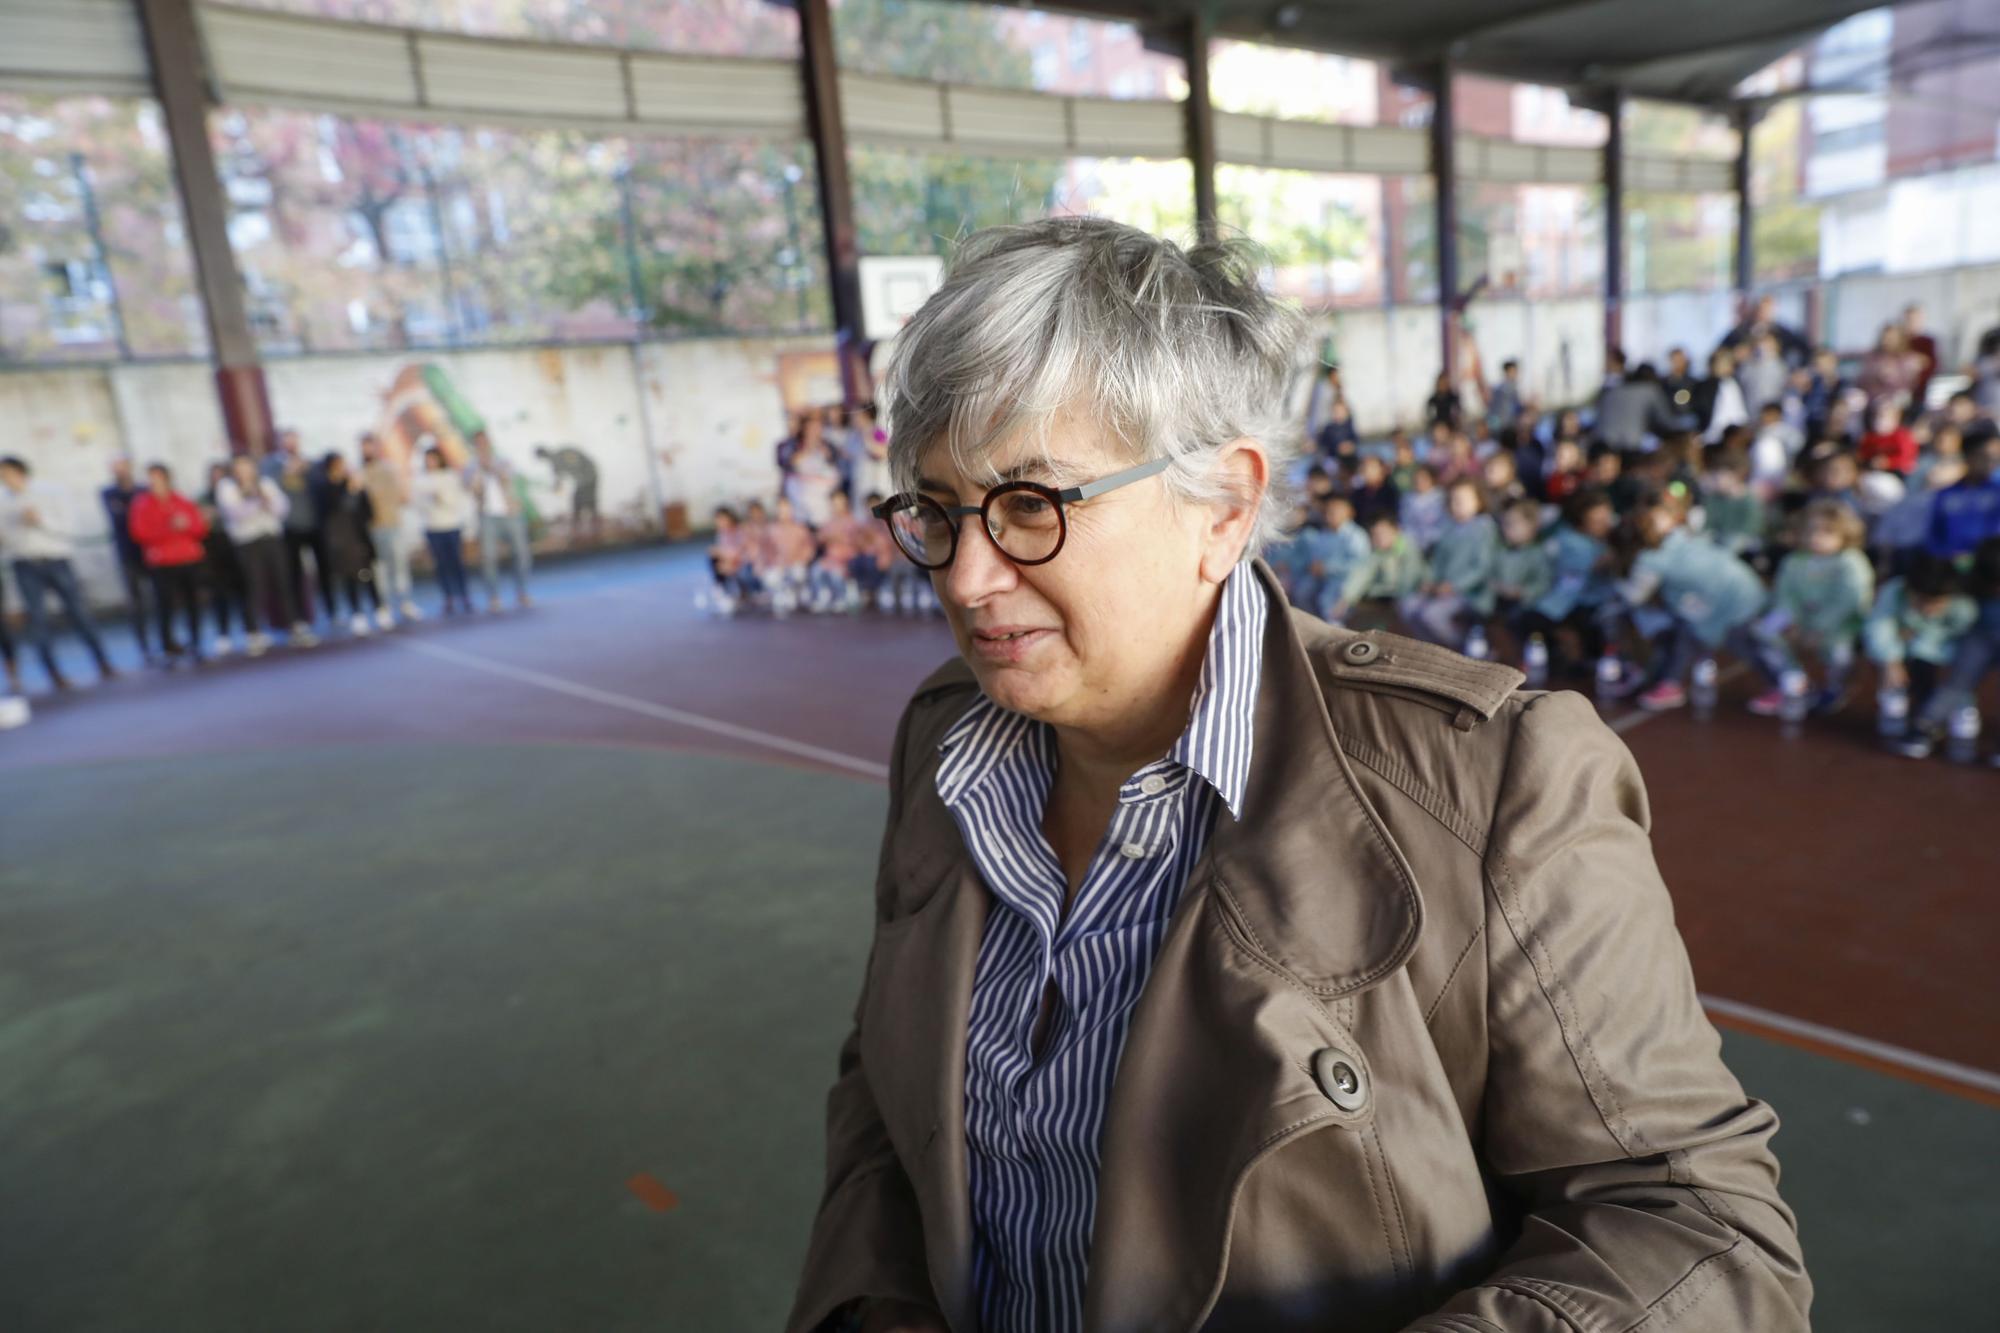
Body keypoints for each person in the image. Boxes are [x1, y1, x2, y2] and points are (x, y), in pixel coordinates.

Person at [789, 217, 1810, 1333]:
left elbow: (1697, 1225)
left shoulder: (1488, 784)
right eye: (933, 511)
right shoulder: (945, 740)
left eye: (1030, 505)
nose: (969, 576)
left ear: (1222, 507)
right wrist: (868, 1304)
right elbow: (883, 1097)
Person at [1614, 488, 1778, 711]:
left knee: (1747, 645)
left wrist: (1614, 581)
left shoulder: (1652, 558)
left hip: (1725, 602)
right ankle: (1670, 682)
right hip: (1745, 588)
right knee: (1704, 638)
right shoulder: (1687, 535)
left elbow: (1634, 596)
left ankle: (1783, 686)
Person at [0, 455, 118, 689]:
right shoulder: (3, 502)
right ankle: (53, 673)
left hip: (56, 559)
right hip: (24, 563)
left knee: (79, 612)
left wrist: (39, 520)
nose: (4, 480)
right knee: (38, 621)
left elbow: (67, 527)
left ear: (20, 473)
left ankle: (103, 662)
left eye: (7, 474)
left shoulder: (49, 493)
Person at [1751, 500, 1874, 716]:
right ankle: (1793, 679)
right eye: (1811, 531)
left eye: (1827, 532)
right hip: (1801, 621)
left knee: (1839, 654)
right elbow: (1785, 595)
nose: (1817, 538)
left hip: (1838, 625)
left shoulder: (1851, 563)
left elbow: (1849, 601)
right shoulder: (1794, 561)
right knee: (1763, 631)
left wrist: (1818, 629)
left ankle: (1836, 687)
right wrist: (1792, 622)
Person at [1896, 536, 2000, 761]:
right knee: (1958, 681)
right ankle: (1925, 726)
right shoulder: (1976, 574)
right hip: (1980, 638)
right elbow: (1954, 565)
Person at [1514, 485, 1616, 679]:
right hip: (1570, 600)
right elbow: (1586, 569)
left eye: (1606, 519)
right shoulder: (1568, 540)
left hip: (1597, 600)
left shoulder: (1609, 534)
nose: (1605, 525)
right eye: (1596, 522)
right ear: (1581, 522)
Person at [216, 452, 315, 651]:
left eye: (247, 466)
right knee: (254, 586)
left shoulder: (266, 483)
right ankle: (254, 633)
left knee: (283, 581)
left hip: (271, 538)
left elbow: (281, 508)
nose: (244, 471)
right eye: (239, 467)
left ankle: (294, 625)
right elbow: (236, 513)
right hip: (247, 542)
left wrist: (262, 500)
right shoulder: (227, 487)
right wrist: (255, 502)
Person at [1865, 553, 1976, 727]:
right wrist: (1891, 661)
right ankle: (1895, 704)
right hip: (1906, 653)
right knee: (1889, 666)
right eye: (1921, 601)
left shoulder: (1964, 605)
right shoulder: (1894, 591)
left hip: (1943, 659)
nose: (1928, 609)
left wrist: (1918, 635)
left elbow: (1966, 641)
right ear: (1908, 589)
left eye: (1937, 604)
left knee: (1955, 680)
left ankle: (1958, 710)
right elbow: (1878, 629)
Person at [125, 462, 209, 664]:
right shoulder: (142, 504)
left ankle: (196, 642)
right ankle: (168, 645)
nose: (154, 482)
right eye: (151, 478)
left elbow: (200, 528)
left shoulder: (182, 501)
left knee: (193, 602)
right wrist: (168, 528)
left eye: (158, 478)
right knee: (165, 605)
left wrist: (186, 525)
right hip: (162, 561)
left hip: (187, 558)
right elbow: (139, 533)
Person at [1398, 477, 1496, 649]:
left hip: (1472, 593)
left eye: (1463, 500)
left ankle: (1463, 649)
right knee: (1408, 606)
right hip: (1443, 589)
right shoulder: (1448, 526)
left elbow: (1482, 568)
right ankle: (1432, 649)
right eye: (1453, 500)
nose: (1457, 504)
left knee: (1432, 615)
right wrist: (1429, 581)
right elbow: (1438, 561)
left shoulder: (1485, 527)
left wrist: (1453, 586)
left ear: (1479, 501)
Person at [266, 429, 327, 627]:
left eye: (294, 440)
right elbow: (268, 490)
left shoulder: (310, 463)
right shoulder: (271, 465)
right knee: (293, 574)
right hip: (289, 527)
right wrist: (287, 473)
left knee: (325, 569)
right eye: (287, 441)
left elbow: (321, 488)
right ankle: (300, 617)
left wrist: (308, 471)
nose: (291, 445)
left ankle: (331, 611)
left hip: (314, 524)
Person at [99, 457, 157, 663]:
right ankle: (145, 647)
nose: (120, 470)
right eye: (116, 467)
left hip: (150, 550)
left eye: (123, 466)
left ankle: (167, 641)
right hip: (127, 553)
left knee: (160, 598)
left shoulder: (144, 489)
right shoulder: (109, 493)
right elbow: (122, 517)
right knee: (136, 602)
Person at [318, 454, 383, 635]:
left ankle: (379, 608)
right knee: (349, 578)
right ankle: (357, 613)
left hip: (360, 538)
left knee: (368, 574)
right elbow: (330, 511)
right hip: (341, 542)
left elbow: (368, 512)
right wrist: (347, 491)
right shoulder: (326, 488)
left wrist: (357, 490)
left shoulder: (355, 486)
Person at [467, 433, 533, 612]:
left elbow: (508, 478)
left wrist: (491, 467)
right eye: (478, 443)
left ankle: (523, 592)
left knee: (521, 554)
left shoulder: (503, 460)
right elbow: (472, 489)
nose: (482, 446)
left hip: (511, 514)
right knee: (488, 558)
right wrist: (479, 470)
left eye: (484, 442)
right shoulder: (471, 466)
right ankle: (494, 596)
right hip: (488, 516)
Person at [360, 432, 417, 625]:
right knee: (380, 570)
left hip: (393, 524)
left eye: (371, 446)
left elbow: (403, 495)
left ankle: (405, 602)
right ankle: (385, 607)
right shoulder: (360, 472)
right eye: (364, 446)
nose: (368, 450)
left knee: (400, 565)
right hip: (373, 528)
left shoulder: (389, 468)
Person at [1926, 421, 2000, 560]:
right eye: (1985, 456)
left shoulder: (1997, 492)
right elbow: (1934, 537)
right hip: (1951, 565)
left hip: (1991, 565)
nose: (1992, 461)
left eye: (1995, 457)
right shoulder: (1946, 495)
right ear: (1968, 457)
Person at [413, 445, 473, 615]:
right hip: (433, 527)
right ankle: (448, 597)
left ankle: (464, 595)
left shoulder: (450, 476)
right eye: (427, 459)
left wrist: (442, 498)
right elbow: (417, 504)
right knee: (441, 565)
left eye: (433, 458)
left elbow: (457, 500)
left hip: (452, 525)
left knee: (457, 563)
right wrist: (429, 501)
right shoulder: (421, 480)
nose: (430, 462)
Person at [198, 462, 248, 656]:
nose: (219, 480)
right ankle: (223, 634)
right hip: (213, 550)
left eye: (222, 476)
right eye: (215, 476)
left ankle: (250, 630)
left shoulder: (235, 493)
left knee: (241, 591)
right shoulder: (203, 497)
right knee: (218, 593)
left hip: (234, 546)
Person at [535, 443, 601, 544]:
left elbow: (578, 463)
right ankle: (580, 535)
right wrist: (555, 488)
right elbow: (558, 480)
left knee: (586, 503)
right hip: (582, 481)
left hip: (590, 477)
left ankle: (593, 535)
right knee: (579, 504)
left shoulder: (564, 453)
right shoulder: (555, 464)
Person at [1858, 400, 1919, 476]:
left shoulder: (1903, 436)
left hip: (1897, 474)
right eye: (1876, 416)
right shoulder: (1870, 436)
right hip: (1872, 472)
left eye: (1883, 416)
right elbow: (1863, 454)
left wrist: (1889, 462)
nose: (1879, 420)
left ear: (1896, 418)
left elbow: (1907, 458)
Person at [1486, 357, 1524, 434]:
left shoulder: (1498, 388)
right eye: (1514, 371)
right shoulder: (1506, 389)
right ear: (1508, 371)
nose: (1516, 374)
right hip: (1504, 428)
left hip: (1504, 427)